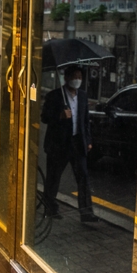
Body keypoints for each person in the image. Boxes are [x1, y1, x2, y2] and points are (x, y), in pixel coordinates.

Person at [40, 65, 98, 222]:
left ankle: (86, 212)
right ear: (66, 78)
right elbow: (44, 117)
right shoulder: (54, 96)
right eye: (74, 77)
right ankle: (50, 208)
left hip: (77, 142)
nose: (77, 80)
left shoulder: (83, 96)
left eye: (79, 77)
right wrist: (59, 115)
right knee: (53, 177)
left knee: (83, 177)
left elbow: (85, 120)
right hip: (59, 144)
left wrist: (88, 140)